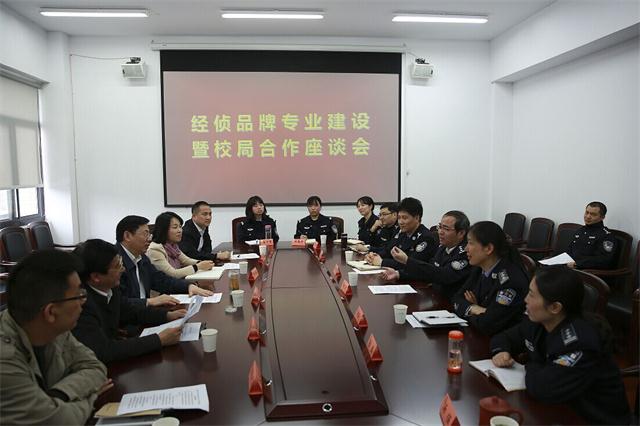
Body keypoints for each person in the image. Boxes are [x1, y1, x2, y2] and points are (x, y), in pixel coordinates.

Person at [490, 265, 630, 425]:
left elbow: (544, 389)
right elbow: (503, 338)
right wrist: (501, 351)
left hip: (592, 419)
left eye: (532, 295)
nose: (525, 299)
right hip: (558, 409)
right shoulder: (538, 321)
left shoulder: (580, 342)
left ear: (555, 307)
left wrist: (530, 364)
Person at [0, 250, 111, 424]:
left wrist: (59, 394)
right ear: (51, 312)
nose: (83, 301)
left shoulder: (51, 327)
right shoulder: (5, 362)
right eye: (78, 295)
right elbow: (61, 421)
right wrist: (92, 395)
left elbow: (95, 367)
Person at [73, 239, 186, 364]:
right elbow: (104, 351)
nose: (123, 269)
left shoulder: (110, 288)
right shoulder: (80, 304)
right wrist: (159, 340)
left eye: (121, 263)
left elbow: (131, 311)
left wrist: (167, 315)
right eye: (117, 266)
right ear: (96, 277)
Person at [116, 215, 213, 308]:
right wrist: (150, 302)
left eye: (149, 234)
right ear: (127, 236)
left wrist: (188, 286)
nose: (149, 238)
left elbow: (160, 280)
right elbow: (119, 303)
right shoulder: (114, 262)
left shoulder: (141, 257)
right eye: (145, 234)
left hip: (144, 313)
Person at [451, 221, 529, 335]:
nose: (466, 248)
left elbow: (487, 324)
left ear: (488, 248)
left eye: (470, 243)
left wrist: (468, 309)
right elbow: (456, 299)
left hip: (500, 340)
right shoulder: (479, 268)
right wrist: (476, 308)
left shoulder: (510, 281)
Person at [381, 210, 472, 300]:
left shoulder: (465, 253)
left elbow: (443, 275)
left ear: (461, 233)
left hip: (449, 302)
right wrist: (398, 274)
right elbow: (428, 270)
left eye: (446, 229)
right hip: (434, 296)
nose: (440, 232)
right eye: (440, 227)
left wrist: (407, 260)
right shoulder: (443, 248)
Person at [364, 197, 437, 269]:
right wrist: (374, 256)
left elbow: (411, 264)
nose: (400, 222)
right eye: (399, 218)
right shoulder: (401, 231)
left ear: (417, 218)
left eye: (404, 218)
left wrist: (382, 262)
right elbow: (389, 250)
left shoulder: (426, 237)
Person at [148, 212, 214, 279]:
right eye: (175, 227)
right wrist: (198, 266)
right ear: (163, 230)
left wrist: (201, 263)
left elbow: (186, 261)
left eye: (180, 227)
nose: (180, 231)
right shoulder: (155, 249)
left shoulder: (173, 246)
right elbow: (173, 274)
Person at [566, 201, 617, 270]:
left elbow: (604, 260)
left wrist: (577, 264)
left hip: (587, 271)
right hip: (570, 268)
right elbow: (569, 251)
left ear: (602, 217)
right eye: (587, 212)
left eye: (593, 214)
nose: (588, 216)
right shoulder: (580, 231)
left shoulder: (606, 236)